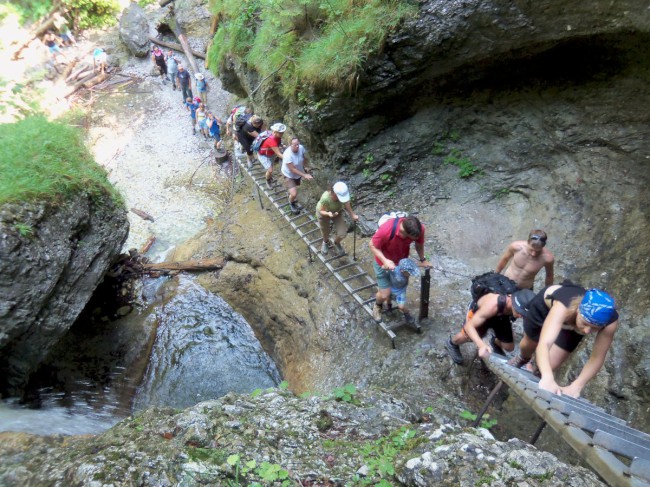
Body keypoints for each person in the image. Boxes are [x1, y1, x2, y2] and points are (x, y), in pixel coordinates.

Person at [508, 282, 619, 398]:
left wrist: (576, 386)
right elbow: (544, 343)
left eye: (594, 328)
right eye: (586, 324)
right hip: (544, 309)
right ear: (578, 311)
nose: (587, 331)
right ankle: (524, 357)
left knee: (548, 366)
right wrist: (548, 377)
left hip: (573, 325)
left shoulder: (610, 322)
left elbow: (597, 357)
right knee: (528, 346)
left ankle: (537, 367)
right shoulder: (563, 306)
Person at [445, 289, 535, 365]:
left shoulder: (521, 304)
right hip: (482, 311)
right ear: (513, 303)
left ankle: (494, 342)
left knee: (509, 347)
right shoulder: (492, 305)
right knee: (468, 336)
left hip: (500, 316)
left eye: (523, 314)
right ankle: (452, 343)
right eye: (519, 313)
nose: (520, 316)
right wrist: (481, 345)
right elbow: (469, 326)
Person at [369, 215, 430, 321]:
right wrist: (385, 261)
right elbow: (372, 245)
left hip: (401, 264)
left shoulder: (419, 229)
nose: (416, 239)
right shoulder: (386, 229)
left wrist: (423, 260)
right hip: (382, 263)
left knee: (397, 283)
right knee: (384, 294)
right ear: (406, 233)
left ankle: (389, 299)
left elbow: (419, 244)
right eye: (413, 239)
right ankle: (377, 305)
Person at [316, 182, 358, 255]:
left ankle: (337, 242)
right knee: (325, 231)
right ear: (334, 193)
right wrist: (328, 214)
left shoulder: (343, 194)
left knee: (342, 233)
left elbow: (346, 203)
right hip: (324, 213)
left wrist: (353, 215)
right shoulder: (326, 198)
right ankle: (325, 242)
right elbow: (321, 210)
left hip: (337, 212)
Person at [281, 138, 313, 214]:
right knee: (294, 193)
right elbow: (292, 169)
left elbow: (304, 157)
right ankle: (291, 203)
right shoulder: (287, 154)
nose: (297, 146)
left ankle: (290, 192)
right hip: (288, 174)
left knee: (296, 186)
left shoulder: (301, 148)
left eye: (298, 144)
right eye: (295, 145)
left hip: (298, 172)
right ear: (290, 145)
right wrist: (304, 175)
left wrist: (305, 166)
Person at [388, 258, 421, 325]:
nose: (410, 274)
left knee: (401, 306)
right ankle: (389, 307)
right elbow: (384, 268)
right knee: (387, 298)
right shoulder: (394, 270)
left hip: (401, 291)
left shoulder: (406, 274)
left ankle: (407, 314)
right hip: (391, 288)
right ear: (402, 270)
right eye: (409, 273)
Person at [257, 123, 286, 188]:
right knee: (270, 170)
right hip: (263, 155)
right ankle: (268, 181)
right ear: (275, 132)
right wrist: (289, 159)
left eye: (282, 132)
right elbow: (278, 154)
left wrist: (281, 145)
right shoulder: (271, 140)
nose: (282, 134)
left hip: (271, 153)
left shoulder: (277, 136)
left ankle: (269, 176)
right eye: (281, 133)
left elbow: (278, 143)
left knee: (271, 167)